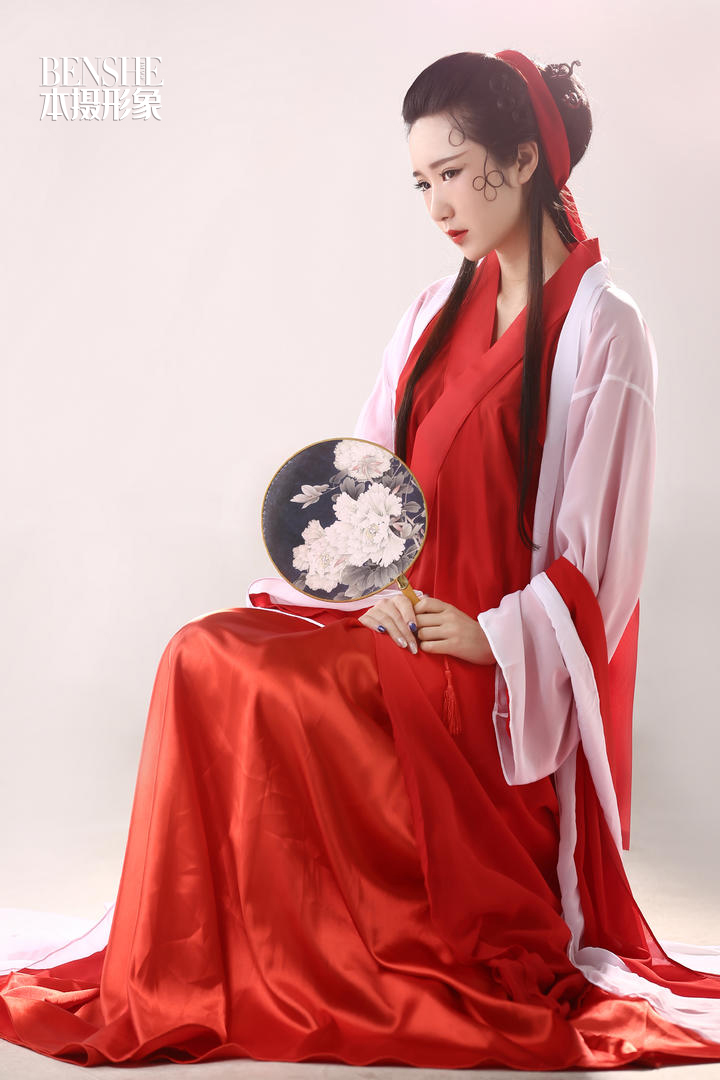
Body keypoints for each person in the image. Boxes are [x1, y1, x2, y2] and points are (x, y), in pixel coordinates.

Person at [2, 48, 720, 1071]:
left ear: (525, 160)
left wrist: (488, 634)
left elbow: (599, 561)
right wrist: (375, 587)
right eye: (421, 181)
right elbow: (371, 478)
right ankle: (223, 956)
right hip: (398, 625)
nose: (437, 204)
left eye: (454, 172)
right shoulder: (432, 313)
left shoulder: (605, 330)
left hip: (493, 679)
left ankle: (290, 954)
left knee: (231, 674)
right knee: (201, 654)